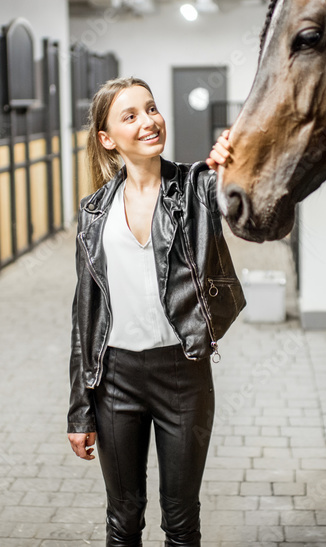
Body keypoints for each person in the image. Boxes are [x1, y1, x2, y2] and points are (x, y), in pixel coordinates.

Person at [67, 76, 244, 546]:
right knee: (123, 520)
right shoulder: (94, 213)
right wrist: (79, 411)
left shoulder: (195, 188)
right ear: (107, 139)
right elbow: (85, 315)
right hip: (116, 379)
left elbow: (243, 197)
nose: (149, 121)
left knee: (181, 521)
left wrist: (238, 155)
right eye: (130, 116)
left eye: (151, 109)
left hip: (183, 376)